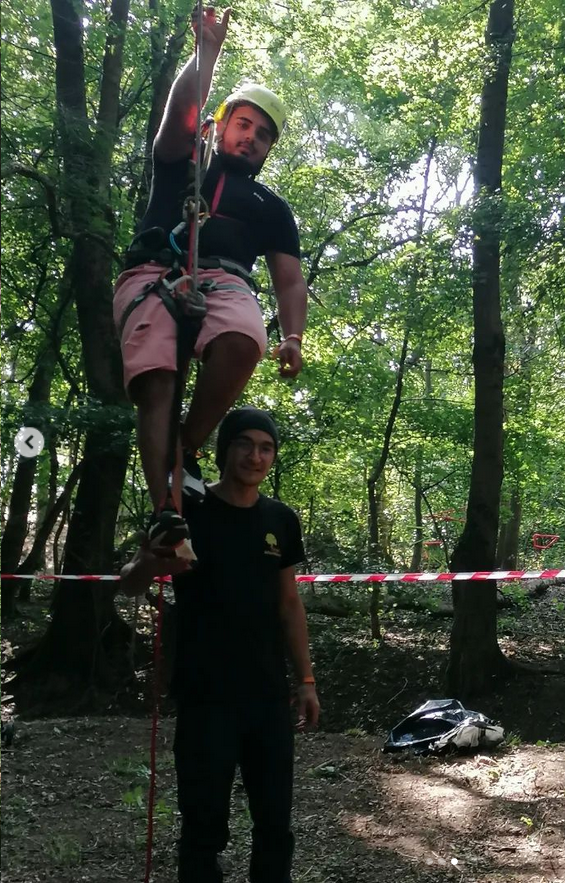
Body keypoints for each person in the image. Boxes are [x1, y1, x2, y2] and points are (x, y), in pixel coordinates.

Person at [113, 6, 308, 554]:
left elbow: (289, 282)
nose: (250, 138)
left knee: (245, 338)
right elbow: (179, 114)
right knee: (158, 381)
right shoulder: (185, 162)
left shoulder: (271, 207)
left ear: (269, 149)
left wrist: (292, 336)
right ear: (221, 125)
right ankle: (165, 518)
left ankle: (186, 445)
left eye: (263, 134)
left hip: (227, 282)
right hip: (156, 273)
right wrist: (206, 53)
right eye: (242, 124)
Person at [120, 407, 319, 882]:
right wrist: (153, 560)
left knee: (275, 824)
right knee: (203, 826)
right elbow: (131, 581)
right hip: (205, 694)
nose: (255, 456)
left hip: (268, 695)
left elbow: (289, 604)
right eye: (244, 444)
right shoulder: (187, 509)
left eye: (266, 447)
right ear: (224, 449)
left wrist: (307, 680)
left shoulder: (280, 520)